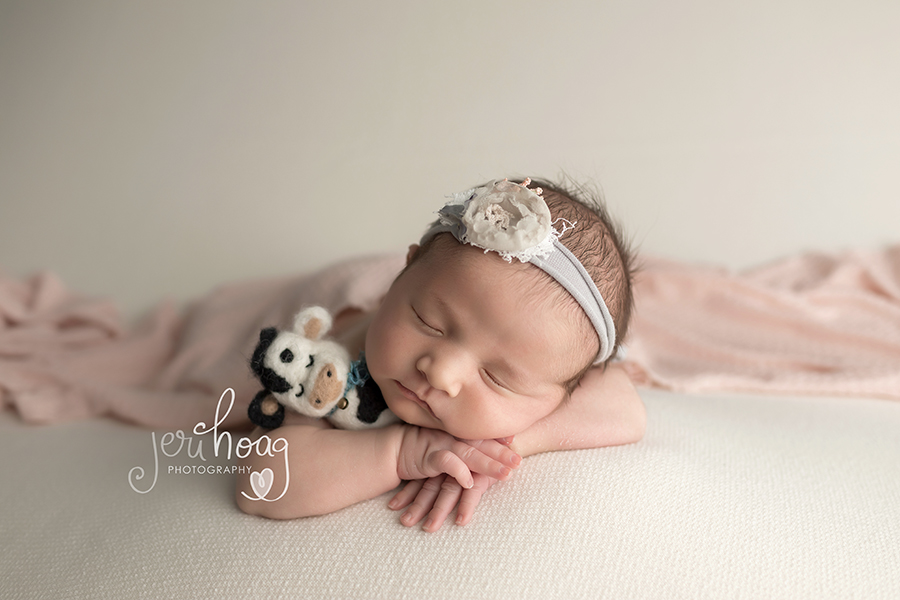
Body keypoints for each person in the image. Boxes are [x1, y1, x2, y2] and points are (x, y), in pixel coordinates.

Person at [236, 177, 646, 532]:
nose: (440, 373)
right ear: (403, 274)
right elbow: (265, 482)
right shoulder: (336, 364)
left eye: (496, 377)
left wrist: (499, 448)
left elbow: (625, 407)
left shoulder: (552, 357)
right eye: (429, 322)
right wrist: (401, 452)